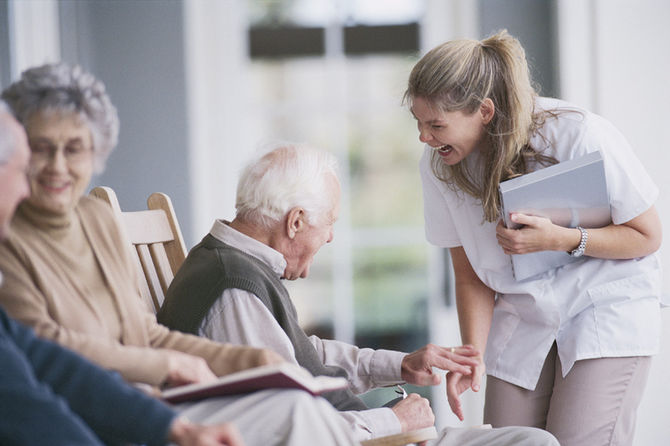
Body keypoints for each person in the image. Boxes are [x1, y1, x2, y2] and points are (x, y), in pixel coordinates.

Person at [0, 64, 357, 446]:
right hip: (98, 414)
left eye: (73, 149)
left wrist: (253, 361)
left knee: (303, 405)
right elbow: (43, 348)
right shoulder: (9, 238)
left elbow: (145, 333)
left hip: (155, 403)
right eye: (41, 149)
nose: (57, 166)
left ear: (95, 154)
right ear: (19, 153)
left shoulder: (96, 218)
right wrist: (164, 366)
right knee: (298, 411)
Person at [158, 143, 559, 446]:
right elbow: (294, 423)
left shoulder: (237, 264)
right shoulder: (235, 287)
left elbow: (304, 357)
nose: (331, 236)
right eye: (328, 223)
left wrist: (401, 364)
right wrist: (396, 421)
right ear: (295, 222)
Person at [404, 30, 664, 446]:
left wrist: (562, 239)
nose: (424, 137)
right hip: (524, 316)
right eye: (418, 123)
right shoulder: (439, 164)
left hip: (603, 307)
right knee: (507, 441)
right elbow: (469, 272)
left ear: (484, 111)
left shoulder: (578, 134)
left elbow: (646, 235)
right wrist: (471, 354)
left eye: (436, 124)